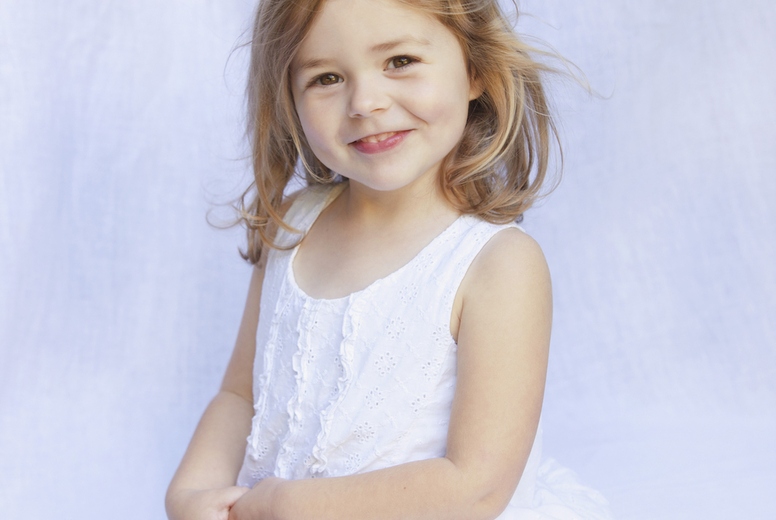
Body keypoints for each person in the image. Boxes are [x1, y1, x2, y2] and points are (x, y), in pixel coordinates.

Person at [166, 0, 613, 518]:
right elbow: (240, 395)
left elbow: (477, 487)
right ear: (288, 96)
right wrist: (190, 492)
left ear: (476, 69)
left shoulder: (498, 266)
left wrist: (294, 505)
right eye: (327, 77)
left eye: (399, 61)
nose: (365, 102)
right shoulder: (291, 226)